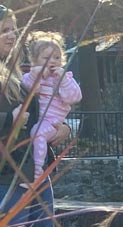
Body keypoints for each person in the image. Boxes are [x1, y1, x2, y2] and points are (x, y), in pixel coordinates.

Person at [0, 5, 71, 227]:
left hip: (35, 170)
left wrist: (64, 129)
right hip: (7, 175)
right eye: (4, 31)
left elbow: (51, 107)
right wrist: (8, 121)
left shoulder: (21, 71)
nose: (11, 36)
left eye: (13, 29)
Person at [21, 31, 82, 182]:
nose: (52, 62)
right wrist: (36, 74)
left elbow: (74, 97)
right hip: (38, 121)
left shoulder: (64, 77)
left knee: (38, 132)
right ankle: (37, 170)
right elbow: (25, 86)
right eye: (46, 58)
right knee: (37, 133)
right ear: (35, 60)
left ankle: (38, 170)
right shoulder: (32, 76)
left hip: (52, 121)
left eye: (56, 57)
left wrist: (63, 80)